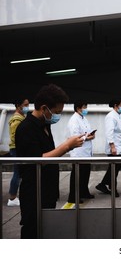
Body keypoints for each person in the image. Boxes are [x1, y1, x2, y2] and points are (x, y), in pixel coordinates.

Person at [15, 84, 85, 238]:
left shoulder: (45, 125)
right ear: (44, 108)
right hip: (34, 191)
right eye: (56, 112)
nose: (57, 116)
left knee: (46, 229)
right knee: (32, 231)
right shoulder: (26, 128)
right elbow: (39, 160)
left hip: (48, 190)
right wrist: (67, 146)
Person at [95, 98, 121, 197]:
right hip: (114, 147)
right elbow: (109, 132)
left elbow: (119, 130)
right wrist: (112, 146)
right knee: (114, 169)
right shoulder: (111, 116)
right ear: (116, 105)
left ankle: (103, 185)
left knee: (115, 168)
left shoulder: (118, 115)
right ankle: (112, 189)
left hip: (119, 147)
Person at [66, 100, 96, 204]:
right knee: (77, 174)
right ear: (78, 108)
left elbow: (86, 132)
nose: (85, 109)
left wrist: (91, 135)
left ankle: (84, 192)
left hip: (86, 151)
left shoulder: (83, 118)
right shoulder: (74, 120)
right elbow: (75, 136)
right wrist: (88, 137)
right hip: (78, 151)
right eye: (84, 107)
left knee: (85, 173)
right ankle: (73, 197)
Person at [7, 96, 30, 207]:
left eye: (27, 104)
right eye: (25, 105)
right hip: (16, 149)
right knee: (17, 173)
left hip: (17, 148)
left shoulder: (21, 118)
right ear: (18, 105)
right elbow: (16, 137)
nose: (27, 107)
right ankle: (12, 198)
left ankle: (14, 197)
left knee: (19, 173)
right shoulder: (16, 120)